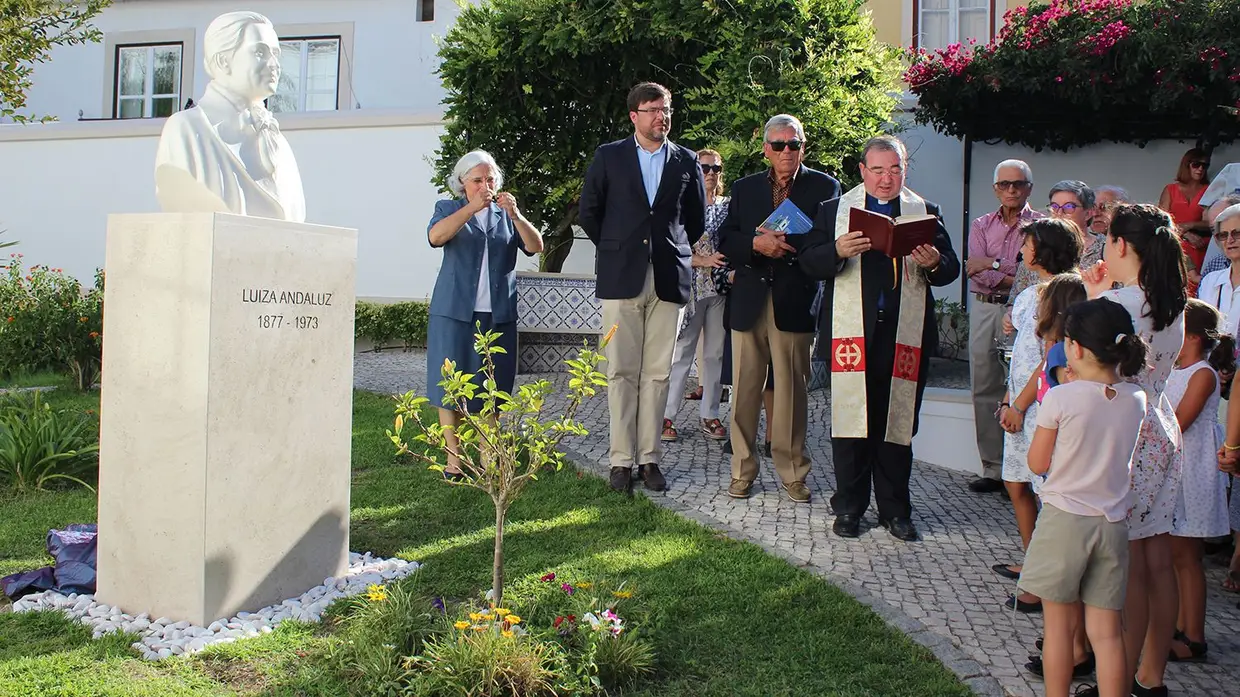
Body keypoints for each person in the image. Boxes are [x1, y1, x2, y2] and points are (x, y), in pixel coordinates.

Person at [799, 135, 960, 541]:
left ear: (904, 169)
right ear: (862, 171)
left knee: (898, 424)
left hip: (904, 335)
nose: (887, 179)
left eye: (895, 169)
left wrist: (935, 262)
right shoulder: (835, 210)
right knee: (852, 423)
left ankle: (895, 509)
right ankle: (849, 507)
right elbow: (809, 262)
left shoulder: (924, 211)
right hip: (852, 334)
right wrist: (836, 248)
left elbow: (950, 269)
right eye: (878, 170)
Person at [1081, 203, 1187, 697]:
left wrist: (1091, 298)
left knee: (1130, 572)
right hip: (1163, 427)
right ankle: (1152, 676)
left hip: (1127, 432)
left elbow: (1079, 360)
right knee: (1157, 560)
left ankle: (1118, 684)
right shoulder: (1171, 300)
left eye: (1106, 236)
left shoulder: (1122, 302)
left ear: (1121, 245)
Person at [579, 81, 706, 495]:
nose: (661, 117)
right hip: (622, 278)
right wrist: (619, 247)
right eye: (652, 110)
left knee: (657, 374)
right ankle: (620, 461)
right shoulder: (609, 156)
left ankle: (649, 459)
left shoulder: (686, 160)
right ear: (634, 116)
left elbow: (696, 219)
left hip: (668, 278)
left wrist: (670, 250)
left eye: (665, 109)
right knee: (620, 372)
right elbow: (590, 213)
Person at [1020, 298, 1149, 697]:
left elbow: (1038, 462)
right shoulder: (1137, 399)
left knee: (1058, 628)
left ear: (1073, 348)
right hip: (1112, 525)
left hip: (1064, 520)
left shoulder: (1061, 398)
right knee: (1108, 633)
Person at [716, 114, 841, 502]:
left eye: (795, 144)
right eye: (780, 145)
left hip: (795, 298)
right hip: (750, 299)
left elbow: (828, 245)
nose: (788, 151)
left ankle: (792, 473)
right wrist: (757, 245)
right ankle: (742, 470)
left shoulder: (825, 187)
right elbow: (727, 239)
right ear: (766, 149)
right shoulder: (745, 187)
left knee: (791, 394)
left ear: (804, 147)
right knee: (745, 392)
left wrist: (785, 246)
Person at [425, 150, 544, 478]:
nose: (484, 185)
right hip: (453, 312)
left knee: (492, 385)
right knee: (449, 385)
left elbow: (536, 247)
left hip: (498, 313)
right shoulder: (448, 208)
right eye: (477, 180)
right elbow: (436, 237)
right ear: (462, 183)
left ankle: (488, 457)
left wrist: (517, 216)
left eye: (490, 179)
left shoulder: (505, 214)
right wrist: (470, 209)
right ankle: (453, 459)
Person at [992, 220, 1083, 615]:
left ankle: (1047, 580)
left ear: (1043, 248)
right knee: (1016, 483)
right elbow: (1022, 353)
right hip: (1021, 401)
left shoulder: (1065, 292)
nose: (1021, 251)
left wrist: (1022, 404)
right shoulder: (1031, 291)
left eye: (1026, 244)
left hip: (1042, 405)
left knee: (1046, 491)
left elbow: (1049, 357)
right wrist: (1009, 397)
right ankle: (1033, 563)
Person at [154, 11, 305, 222]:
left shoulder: (278, 142)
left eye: (276, 54)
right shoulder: (186, 130)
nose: (274, 65)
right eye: (260, 53)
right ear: (223, 61)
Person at [966, 159, 1043, 495]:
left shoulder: (1041, 226)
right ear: (995, 188)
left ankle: (1024, 467)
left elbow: (1035, 273)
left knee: (1025, 384)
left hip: (1027, 312)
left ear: (1029, 187)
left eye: (1019, 184)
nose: (1011, 190)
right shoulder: (982, 224)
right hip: (985, 310)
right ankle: (993, 469)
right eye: (1004, 184)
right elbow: (973, 269)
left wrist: (994, 265)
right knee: (984, 387)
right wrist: (1011, 271)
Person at [1167, 299, 1233, 663]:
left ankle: (1194, 635)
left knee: (1188, 556)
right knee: (1176, 553)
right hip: (1177, 467)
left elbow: (1180, 420)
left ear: (1190, 335)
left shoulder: (1203, 374)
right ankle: (1179, 623)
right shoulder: (1177, 369)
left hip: (1193, 468)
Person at [663, 148, 729, 442]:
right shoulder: (684, 206)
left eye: (716, 168)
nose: (711, 173)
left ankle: (710, 414)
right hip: (689, 287)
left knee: (714, 354)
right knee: (682, 354)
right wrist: (702, 260)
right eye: (705, 168)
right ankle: (667, 415)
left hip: (719, 288)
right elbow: (671, 246)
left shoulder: (728, 207)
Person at [1005, 180, 1100, 334]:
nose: (1059, 212)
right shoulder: (1035, 249)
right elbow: (1016, 296)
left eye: (1069, 207)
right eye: (1054, 206)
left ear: (1088, 213)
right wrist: (1010, 315)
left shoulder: (1105, 249)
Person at [1158, 148, 1211, 237]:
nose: (1200, 169)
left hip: (1200, 242)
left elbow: (1211, 222)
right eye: (1196, 165)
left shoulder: (1209, 190)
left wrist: (1190, 225)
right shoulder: (1170, 189)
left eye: (1205, 166)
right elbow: (1161, 221)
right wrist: (1185, 234)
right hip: (1175, 241)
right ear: (1186, 165)